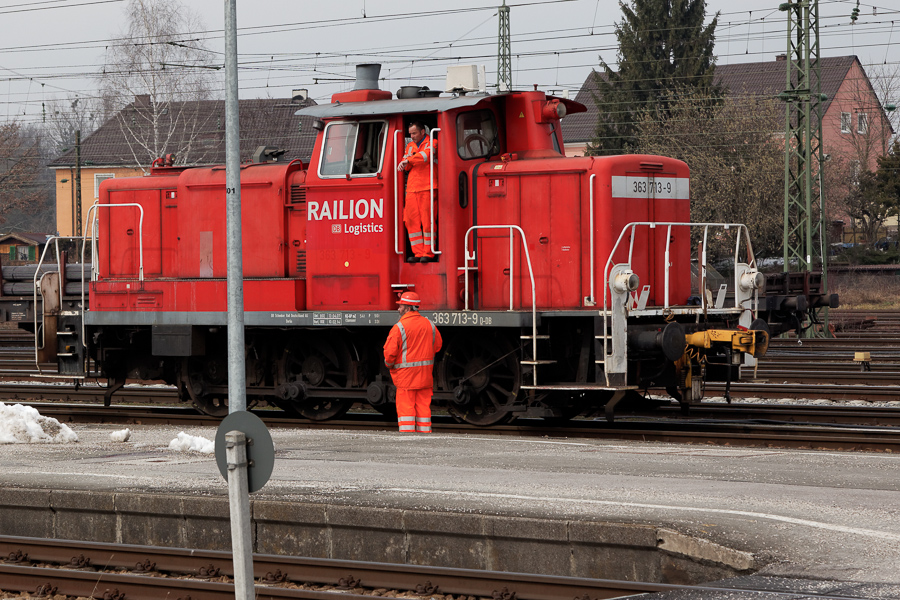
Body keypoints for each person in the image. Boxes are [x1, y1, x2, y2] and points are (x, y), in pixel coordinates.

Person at [383, 291, 442, 433]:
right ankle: (424, 434)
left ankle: (408, 437)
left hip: (406, 379)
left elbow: (389, 354)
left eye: (401, 306)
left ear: (408, 308)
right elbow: (438, 346)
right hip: (425, 377)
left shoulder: (399, 327)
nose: (398, 309)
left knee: (406, 409)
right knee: (423, 408)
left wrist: (390, 366)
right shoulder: (430, 325)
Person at [397, 121, 437, 262]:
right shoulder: (409, 146)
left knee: (427, 222)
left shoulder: (433, 142)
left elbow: (425, 157)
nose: (412, 136)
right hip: (413, 188)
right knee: (410, 220)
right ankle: (418, 253)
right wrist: (409, 161)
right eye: (410, 134)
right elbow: (405, 165)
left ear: (422, 132)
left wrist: (409, 160)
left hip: (428, 186)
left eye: (414, 133)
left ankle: (429, 253)